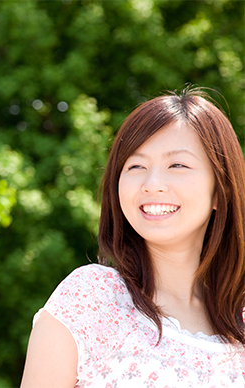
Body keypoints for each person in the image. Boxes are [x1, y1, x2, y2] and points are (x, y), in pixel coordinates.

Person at [20, 87, 245, 387]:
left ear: (221, 190)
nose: (152, 184)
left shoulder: (240, 320)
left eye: (177, 165)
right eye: (136, 166)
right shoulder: (91, 298)